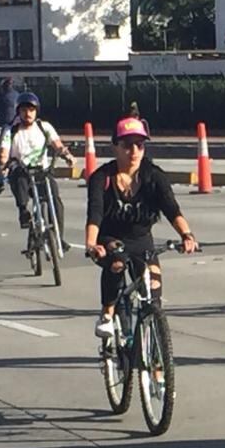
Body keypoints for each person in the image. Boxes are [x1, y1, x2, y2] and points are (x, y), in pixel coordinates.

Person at [85, 116, 198, 339]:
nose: (134, 151)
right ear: (115, 147)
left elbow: (172, 209)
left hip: (141, 240)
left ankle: (156, 359)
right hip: (110, 238)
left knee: (153, 294)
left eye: (140, 144)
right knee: (117, 262)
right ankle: (107, 314)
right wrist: (91, 243)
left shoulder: (154, 176)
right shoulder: (102, 177)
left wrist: (187, 235)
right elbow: (95, 213)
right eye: (127, 145)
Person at [0, 91, 74, 241]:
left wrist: (67, 156)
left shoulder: (44, 127)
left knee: (55, 200)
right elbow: (3, 152)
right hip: (21, 171)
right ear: (18, 111)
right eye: (24, 110)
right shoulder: (10, 130)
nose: (28, 114)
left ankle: (58, 238)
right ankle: (23, 211)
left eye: (31, 110)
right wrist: (3, 164)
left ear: (36, 111)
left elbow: (57, 145)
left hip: (42, 172)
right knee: (19, 180)